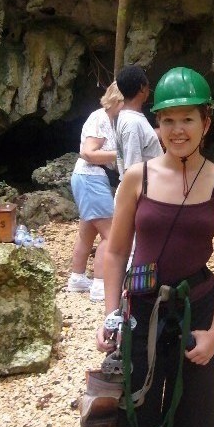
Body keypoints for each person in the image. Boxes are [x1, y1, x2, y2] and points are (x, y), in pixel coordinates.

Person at [95, 67, 214, 427]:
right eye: (168, 121)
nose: (178, 130)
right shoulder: (136, 178)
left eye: (188, 119)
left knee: (195, 417)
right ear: (157, 124)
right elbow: (114, 251)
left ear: (206, 123)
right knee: (134, 410)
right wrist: (112, 315)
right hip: (141, 308)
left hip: (197, 307)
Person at [67, 82, 124, 302]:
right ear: (118, 100)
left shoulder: (110, 120)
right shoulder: (100, 118)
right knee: (111, 235)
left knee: (87, 232)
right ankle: (101, 284)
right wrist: (120, 153)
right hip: (91, 178)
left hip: (86, 178)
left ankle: (78, 278)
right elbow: (88, 153)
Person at [114, 65, 164, 178]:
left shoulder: (129, 118)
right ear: (142, 87)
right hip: (146, 192)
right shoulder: (132, 123)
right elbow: (132, 171)